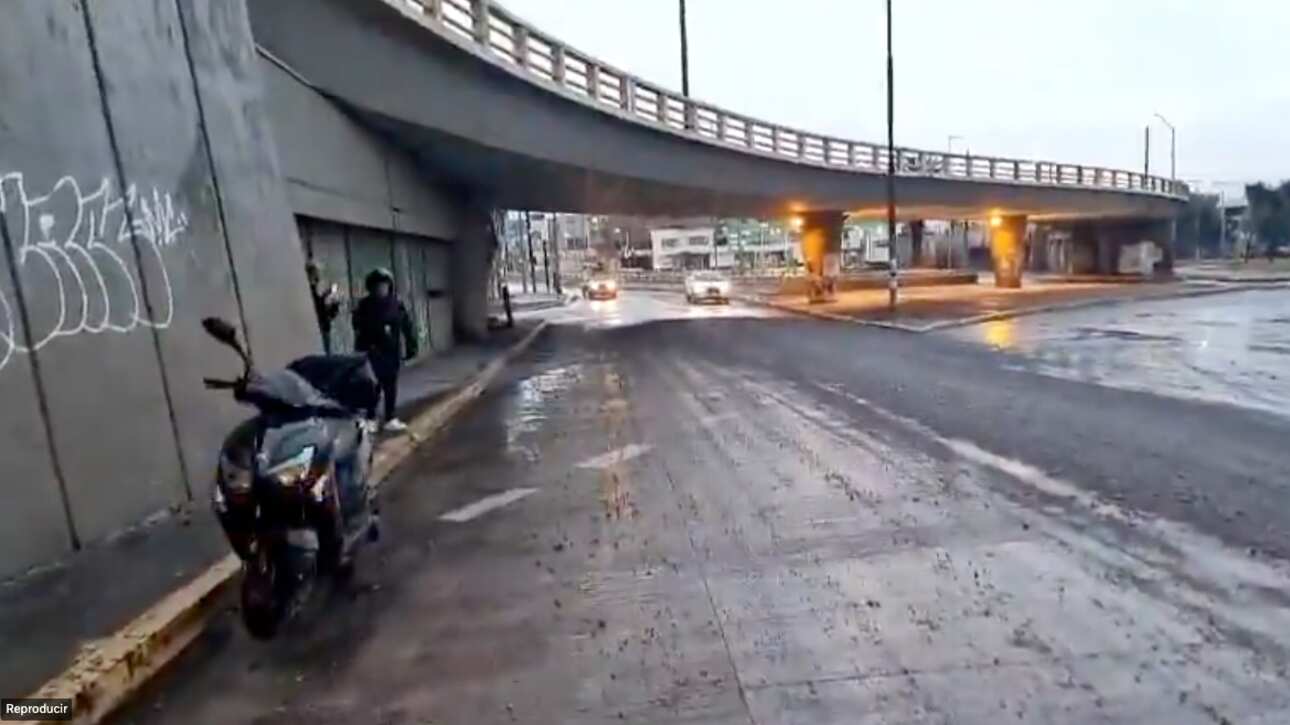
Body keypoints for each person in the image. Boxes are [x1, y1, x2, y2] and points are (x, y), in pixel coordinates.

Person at [352, 268, 417, 432]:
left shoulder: (396, 303)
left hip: (391, 351)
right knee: (372, 385)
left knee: (390, 385)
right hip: (371, 350)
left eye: (384, 285)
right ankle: (371, 417)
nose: (381, 289)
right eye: (377, 286)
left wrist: (411, 346)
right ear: (371, 288)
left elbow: (407, 326)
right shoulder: (365, 305)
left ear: (389, 286)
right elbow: (357, 326)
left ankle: (390, 417)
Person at [306, 260, 341, 354]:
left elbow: (327, 313)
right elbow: (319, 310)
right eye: (315, 274)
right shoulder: (308, 291)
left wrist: (332, 304)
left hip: (323, 328)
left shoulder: (314, 290)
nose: (318, 277)